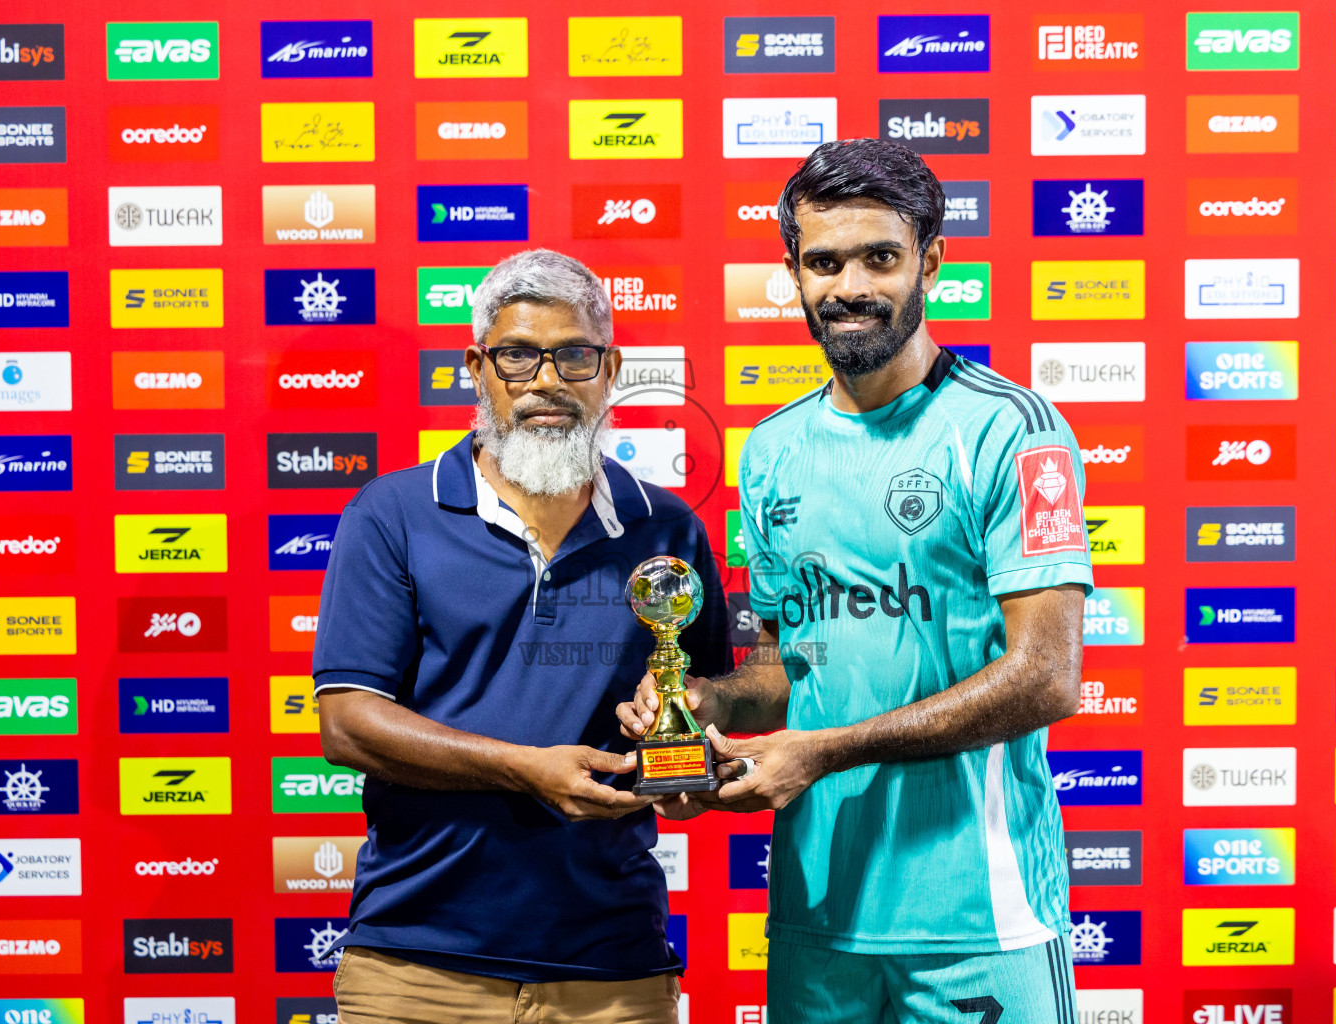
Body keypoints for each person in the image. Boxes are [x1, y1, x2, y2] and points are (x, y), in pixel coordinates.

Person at [618, 138, 1093, 1024]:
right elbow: (786, 670)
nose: (850, 286)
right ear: (793, 273)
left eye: (881, 256)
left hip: (980, 916)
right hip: (819, 912)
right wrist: (707, 707)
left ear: (932, 262)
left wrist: (824, 751)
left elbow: (1047, 677)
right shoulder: (771, 451)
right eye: (823, 261)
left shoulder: (1012, 431)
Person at [316, 248, 731, 1024]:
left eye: (573, 355)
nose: (546, 380)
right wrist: (523, 769)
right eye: (517, 355)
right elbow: (346, 724)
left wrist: (684, 769)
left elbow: (702, 707)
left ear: (609, 371)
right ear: (477, 368)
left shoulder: (667, 528)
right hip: (417, 962)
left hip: (613, 968)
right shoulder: (393, 514)